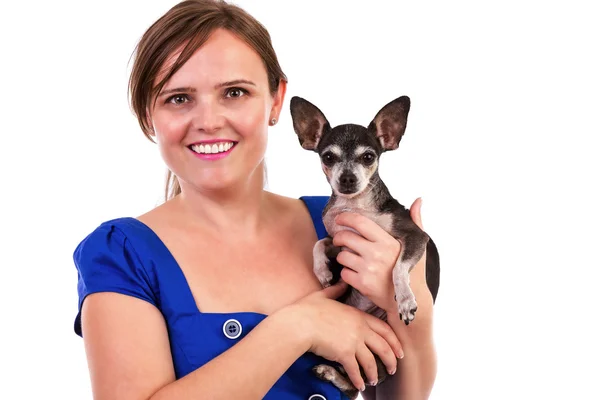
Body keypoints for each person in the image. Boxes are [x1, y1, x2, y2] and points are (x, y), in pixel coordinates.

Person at [72, 1, 437, 399]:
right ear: (147, 112)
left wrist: (415, 304)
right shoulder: (123, 254)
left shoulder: (345, 227)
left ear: (276, 100)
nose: (209, 121)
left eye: (234, 92)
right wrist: (299, 327)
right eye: (179, 98)